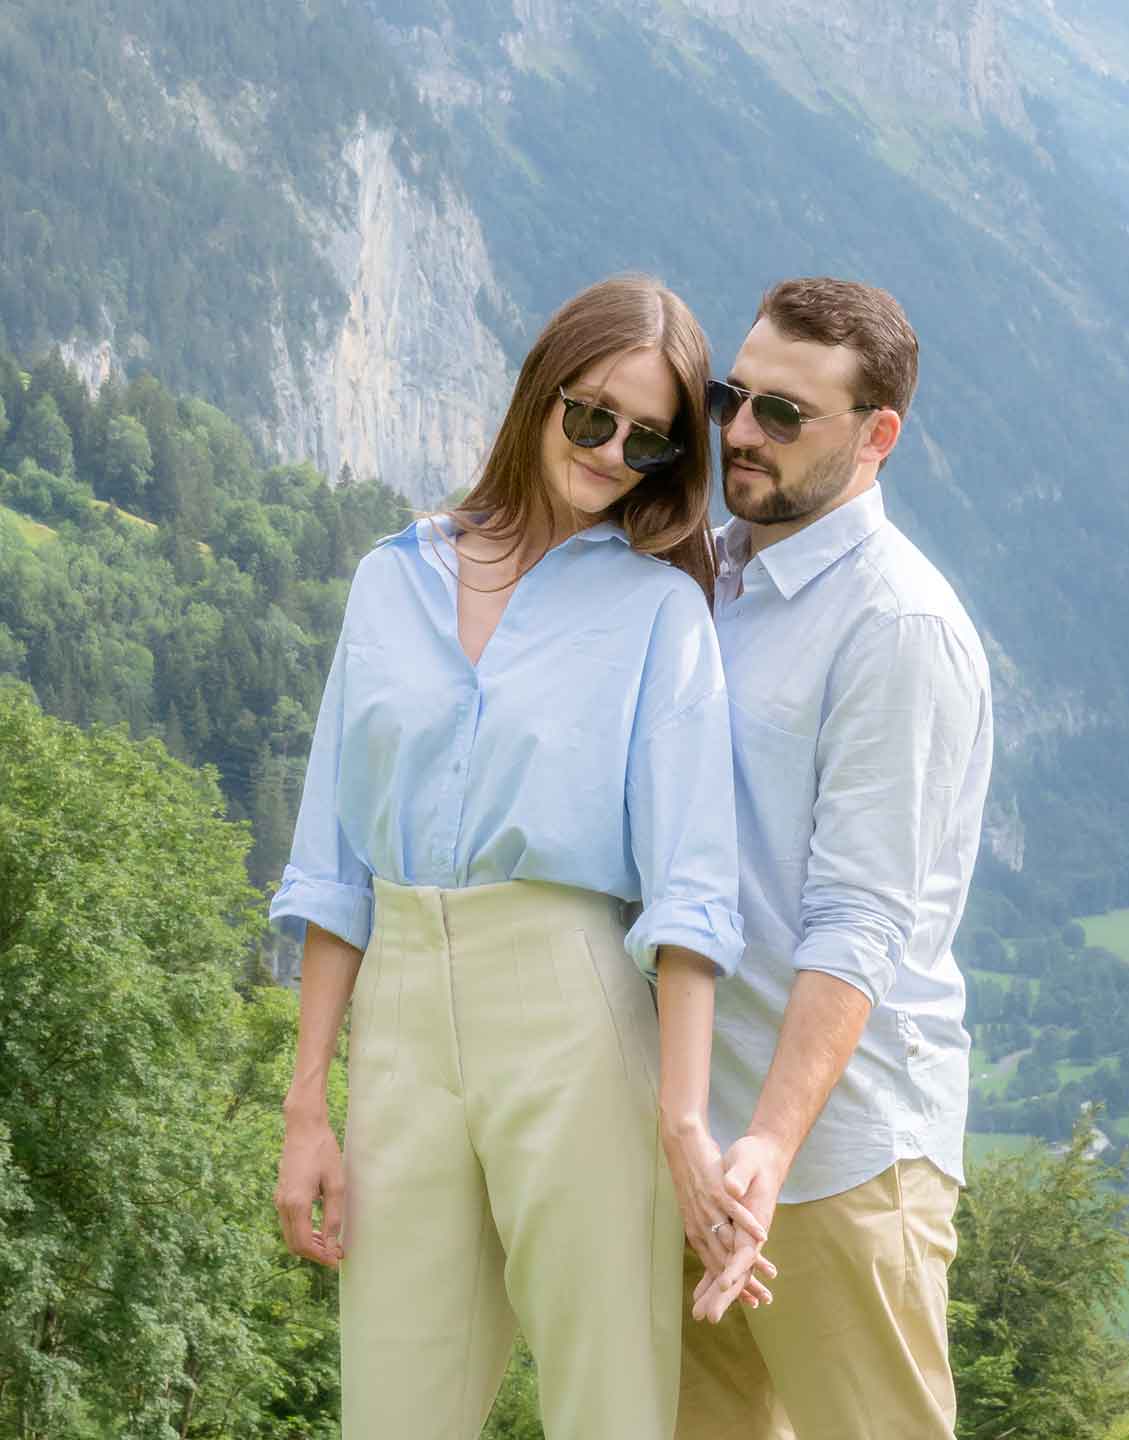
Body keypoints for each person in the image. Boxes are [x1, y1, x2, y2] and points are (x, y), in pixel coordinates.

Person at [270, 274, 766, 1440]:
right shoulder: (390, 578)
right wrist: (308, 1106)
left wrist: (684, 1124)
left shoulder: (658, 615)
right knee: (392, 1406)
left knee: (606, 1402)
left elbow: (692, 894)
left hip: (571, 1006)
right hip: (399, 1008)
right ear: (539, 392)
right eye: (589, 416)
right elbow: (333, 867)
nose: (610, 454)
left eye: (647, 441)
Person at [677, 278, 993, 1439]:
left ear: (877, 437)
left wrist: (767, 1140)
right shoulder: (704, 574)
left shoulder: (895, 625)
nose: (742, 433)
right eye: (733, 399)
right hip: (692, 1146)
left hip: (835, 1162)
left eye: (784, 414)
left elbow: (862, 920)